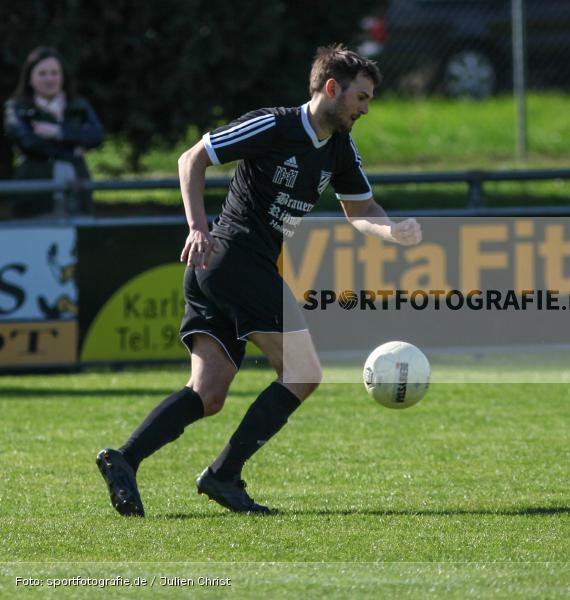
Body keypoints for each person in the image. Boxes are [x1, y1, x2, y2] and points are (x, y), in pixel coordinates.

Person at [96, 44, 421, 516]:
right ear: (332, 88)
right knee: (303, 372)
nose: (365, 109)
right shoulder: (274, 124)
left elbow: (361, 210)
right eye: (361, 98)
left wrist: (391, 229)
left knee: (207, 395)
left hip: (221, 270)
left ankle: (123, 459)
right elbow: (192, 159)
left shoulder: (339, 149)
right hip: (231, 259)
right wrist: (196, 226)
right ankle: (223, 475)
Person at [3, 47, 104, 217]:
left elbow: (96, 136)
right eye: (42, 73)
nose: (49, 79)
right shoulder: (17, 108)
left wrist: (59, 132)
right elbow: (29, 142)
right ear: (30, 78)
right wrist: (72, 150)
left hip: (76, 191)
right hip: (35, 194)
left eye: (54, 73)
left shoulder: (78, 106)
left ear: (62, 77)